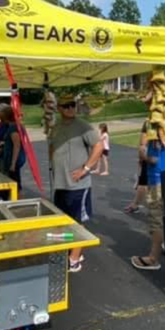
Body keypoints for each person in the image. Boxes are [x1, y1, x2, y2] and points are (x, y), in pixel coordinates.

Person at [49, 95, 104, 273]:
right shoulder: (55, 127)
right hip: (60, 184)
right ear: (59, 108)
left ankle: (74, 258)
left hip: (78, 185)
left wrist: (86, 168)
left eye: (72, 105)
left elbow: (99, 146)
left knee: (78, 222)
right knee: (62, 221)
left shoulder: (83, 127)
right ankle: (68, 250)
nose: (70, 108)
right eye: (65, 106)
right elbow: (52, 146)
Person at [131, 125, 165, 271]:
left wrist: (142, 153)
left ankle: (153, 258)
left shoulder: (156, 133)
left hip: (158, 179)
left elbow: (153, 159)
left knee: (157, 219)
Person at [0, 106, 26, 192]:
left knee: (15, 181)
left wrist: (13, 164)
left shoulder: (13, 127)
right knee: (14, 180)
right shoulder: (15, 126)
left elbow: (16, 145)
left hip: (13, 159)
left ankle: (17, 198)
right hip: (11, 157)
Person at [124, 121, 149, 214]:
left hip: (158, 157)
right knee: (142, 182)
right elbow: (142, 143)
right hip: (149, 156)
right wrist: (141, 156)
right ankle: (135, 204)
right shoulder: (148, 122)